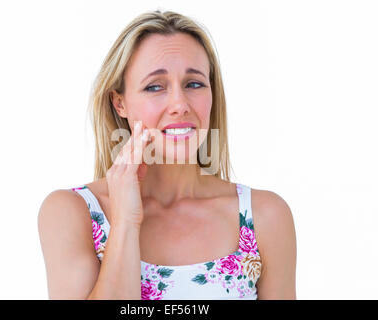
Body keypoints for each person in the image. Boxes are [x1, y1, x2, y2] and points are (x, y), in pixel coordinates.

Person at [37, 10, 297, 300]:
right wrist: (125, 222)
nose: (180, 104)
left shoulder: (264, 217)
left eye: (194, 84)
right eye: (155, 86)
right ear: (120, 103)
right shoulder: (73, 214)